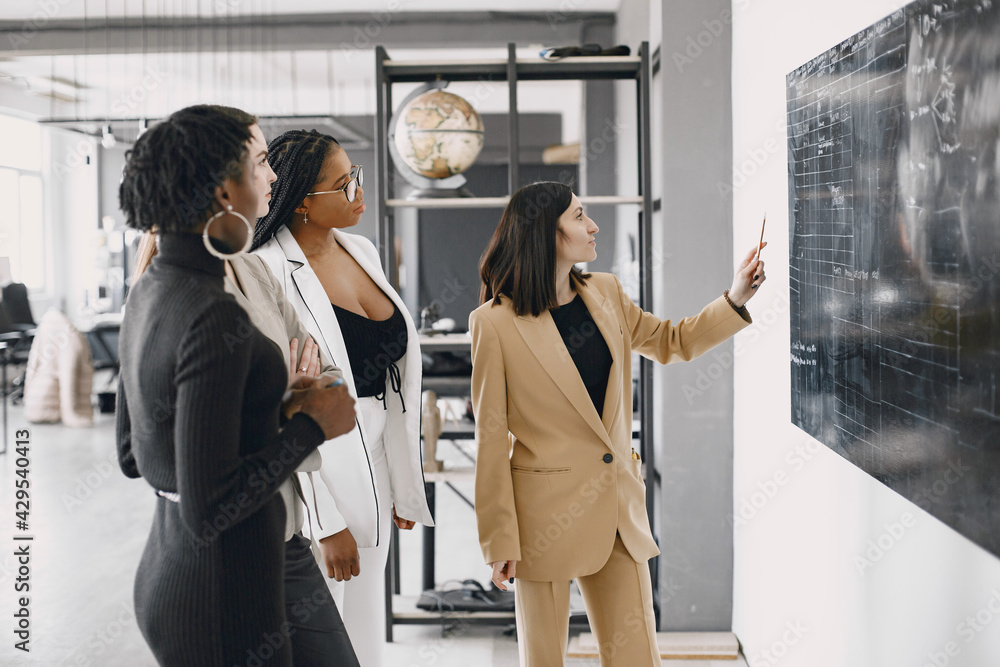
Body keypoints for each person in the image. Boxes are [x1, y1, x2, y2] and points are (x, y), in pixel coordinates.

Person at [471, 181, 766, 666]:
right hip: (539, 522)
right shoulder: (494, 323)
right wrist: (497, 537)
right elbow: (489, 435)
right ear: (548, 233)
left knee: (636, 657)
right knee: (543, 659)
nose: (593, 225)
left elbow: (671, 341)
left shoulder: (604, 291)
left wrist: (735, 298)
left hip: (616, 509)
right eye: (579, 216)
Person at [115, 105, 357, 667]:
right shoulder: (212, 315)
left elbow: (134, 456)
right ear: (226, 190)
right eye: (261, 163)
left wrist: (264, 416)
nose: (272, 176)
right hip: (226, 595)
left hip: (182, 575)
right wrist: (309, 425)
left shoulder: (151, 290)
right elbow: (212, 506)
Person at [252, 129, 434, 666]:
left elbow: (394, 382)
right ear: (305, 200)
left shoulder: (363, 250)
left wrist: (400, 483)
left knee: (364, 626)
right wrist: (325, 522)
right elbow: (284, 409)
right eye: (345, 181)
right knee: (322, 633)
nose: (359, 189)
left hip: (377, 457)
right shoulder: (266, 270)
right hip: (320, 469)